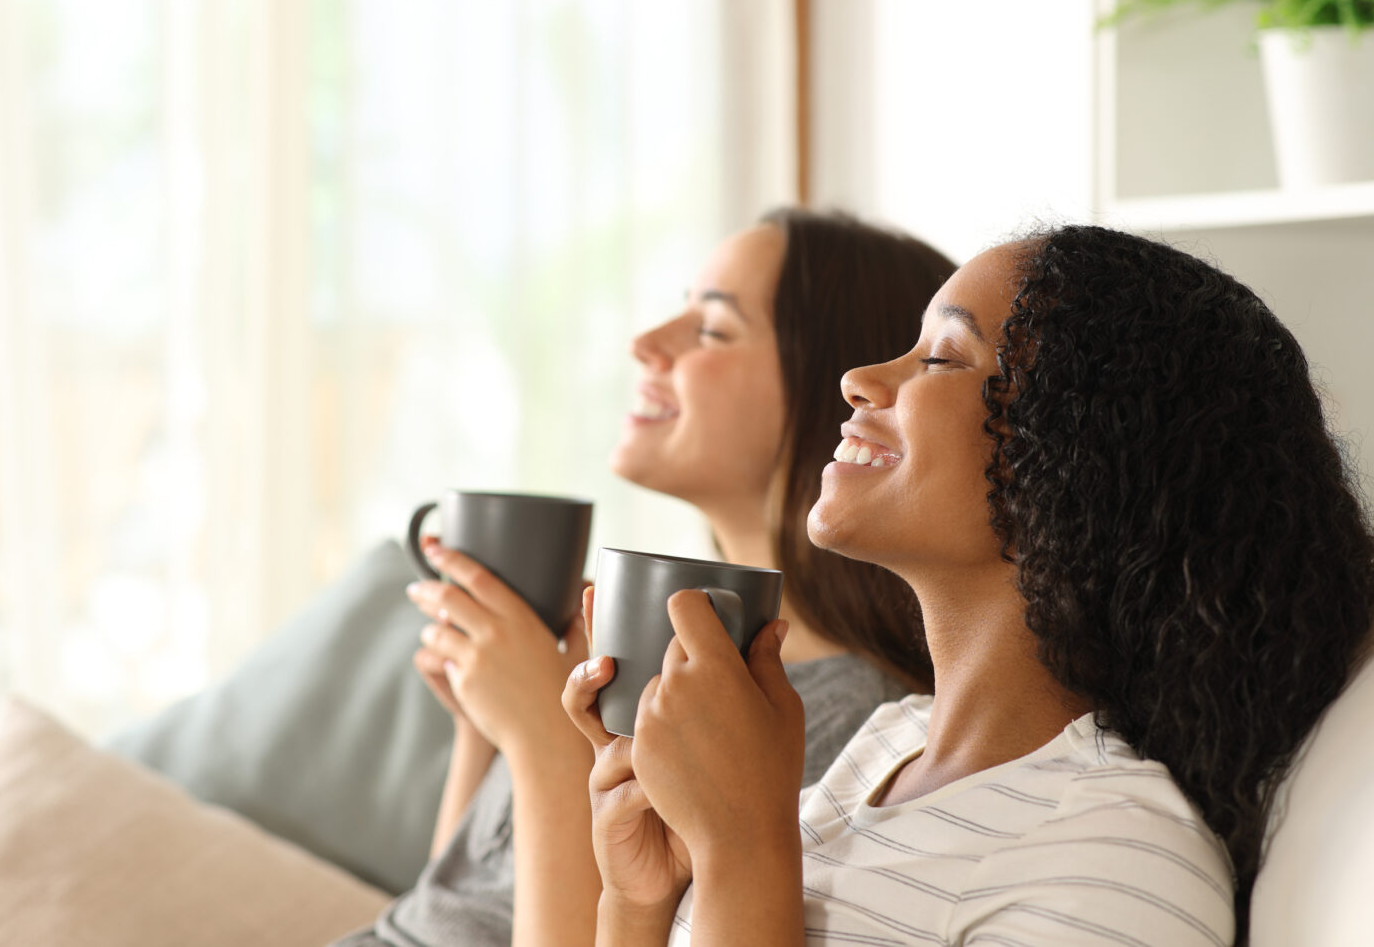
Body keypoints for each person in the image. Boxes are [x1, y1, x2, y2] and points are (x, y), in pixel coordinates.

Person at [563, 224, 1374, 945]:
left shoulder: (1111, 859)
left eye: (941, 357)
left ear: (1075, 458)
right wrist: (643, 898)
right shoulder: (880, 748)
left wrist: (743, 849)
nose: (858, 379)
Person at [328, 208, 957, 947]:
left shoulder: (827, 728)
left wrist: (540, 736)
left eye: (713, 329)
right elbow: (442, 912)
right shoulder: (657, 661)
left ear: (842, 389)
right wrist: (483, 726)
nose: (646, 342)